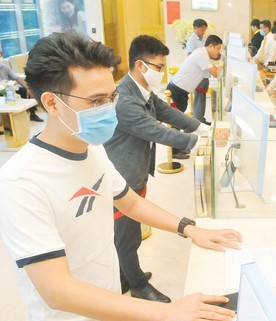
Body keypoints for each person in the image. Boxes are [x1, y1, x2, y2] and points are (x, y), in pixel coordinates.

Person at [0, 30, 240, 321]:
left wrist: (190, 229)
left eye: (111, 98)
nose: (108, 110)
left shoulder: (92, 148)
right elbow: (57, 291)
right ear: (52, 103)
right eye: (95, 101)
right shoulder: (21, 181)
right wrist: (165, 313)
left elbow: (131, 203)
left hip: (110, 302)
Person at [104, 34, 215, 302]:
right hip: (123, 175)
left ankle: (125, 276)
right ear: (140, 65)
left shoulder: (140, 90)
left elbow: (165, 111)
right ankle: (138, 285)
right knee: (127, 236)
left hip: (136, 171)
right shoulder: (126, 100)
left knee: (127, 234)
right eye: (158, 67)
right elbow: (157, 131)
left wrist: (201, 127)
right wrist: (198, 141)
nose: (162, 72)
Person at [167, 35, 222, 126]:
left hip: (181, 91)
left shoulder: (202, 53)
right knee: (176, 123)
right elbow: (216, 74)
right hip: (177, 90)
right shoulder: (201, 55)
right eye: (218, 48)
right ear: (211, 46)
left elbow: (215, 70)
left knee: (178, 122)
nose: (219, 52)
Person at [0, 51, 43, 122]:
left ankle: (33, 114)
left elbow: (17, 78)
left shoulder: (5, 67)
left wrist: (28, 88)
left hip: (7, 89)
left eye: (0, 56)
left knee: (24, 90)